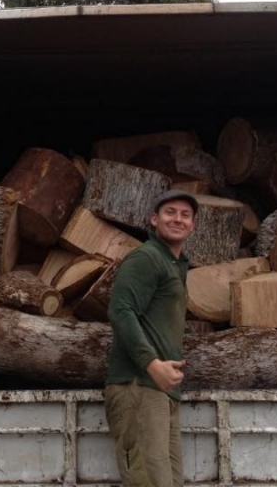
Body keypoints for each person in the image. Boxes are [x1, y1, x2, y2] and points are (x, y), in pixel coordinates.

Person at [105, 189, 198, 487]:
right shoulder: (146, 257)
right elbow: (121, 311)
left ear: (193, 225)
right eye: (170, 212)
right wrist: (152, 364)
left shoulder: (174, 264)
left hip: (160, 390)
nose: (178, 219)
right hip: (139, 385)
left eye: (185, 215)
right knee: (147, 480)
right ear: (153, 219)